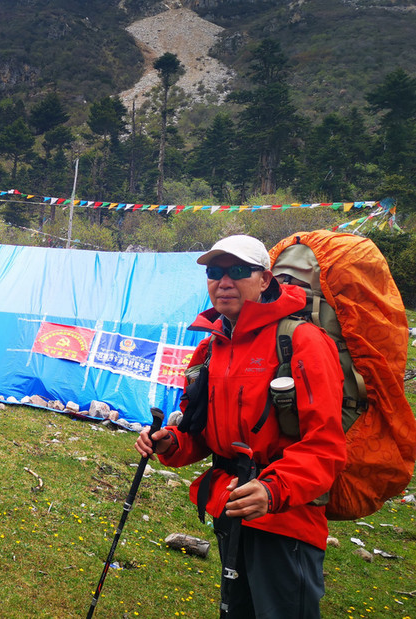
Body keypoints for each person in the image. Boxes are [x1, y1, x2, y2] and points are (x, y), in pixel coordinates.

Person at [134, 234, 346, 619]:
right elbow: (199, 431)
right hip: (229, 508)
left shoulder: (302, 341)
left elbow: (326, 444)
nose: (224, 281)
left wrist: (272, 490)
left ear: (265, 279)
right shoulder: (211, 347)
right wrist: (169, 443)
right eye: (215, 272)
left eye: (238, 271)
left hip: (287, 518)